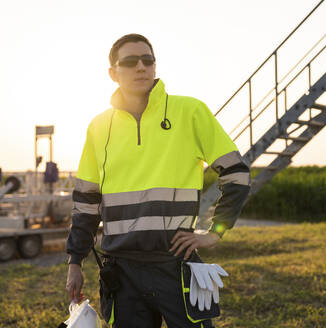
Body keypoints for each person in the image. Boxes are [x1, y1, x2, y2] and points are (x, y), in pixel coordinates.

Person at [66, 33, 251, 328]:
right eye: (130, 61)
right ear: (113, 73)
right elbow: (86, 202)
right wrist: (75, 262)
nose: (141, 67)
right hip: (120, 272)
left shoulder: (190, 111)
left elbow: (237, 174)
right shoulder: (99, 127)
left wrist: (214, 232)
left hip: (174, 266)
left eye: (147, 60)